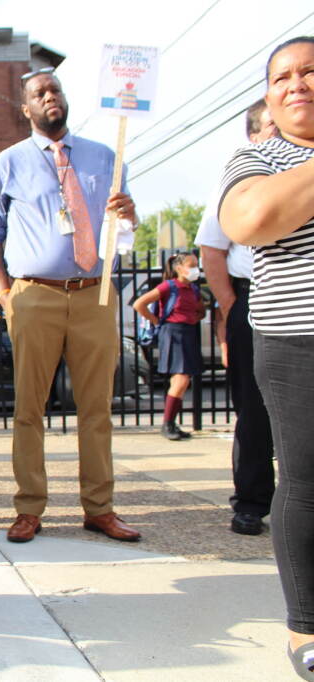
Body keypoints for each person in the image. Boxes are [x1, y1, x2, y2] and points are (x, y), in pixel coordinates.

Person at [0, 67, 141, 544]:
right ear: (25, 109)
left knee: (97, 409)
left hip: (94, 294)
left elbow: (121, 232)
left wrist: (129, 215)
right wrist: (5, 294)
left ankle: (100, 508)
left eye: (55, 89)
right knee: (30, 408)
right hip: (33, 295)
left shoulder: (107, 157)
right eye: (38, 93)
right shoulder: (7, 163)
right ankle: (29, 508)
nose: (50, 97)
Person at [218, 36, 314, 680]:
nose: (297, 84)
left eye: (310, 72)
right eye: (283, 77)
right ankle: (305, 626)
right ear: (269, 98)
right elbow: (251, 220)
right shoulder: (256, 157)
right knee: (306, 482)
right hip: (294, 343)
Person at [195, 98, 278, 536]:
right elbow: (212, 251)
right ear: (253, 135)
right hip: (256, 299)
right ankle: (251, 502)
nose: (278, 130)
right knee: (254, 407)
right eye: (270, 125)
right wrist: (231, 308)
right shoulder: (237, 180)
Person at [132, 253, 205, 440]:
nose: (196, 268)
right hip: (172, 333)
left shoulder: (193, 289)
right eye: (192, 265)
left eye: (196, 265)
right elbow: (140, 304)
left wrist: (196, 316)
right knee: (180, 379)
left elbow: (200, 310)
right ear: (179, 268)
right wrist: (156, 321)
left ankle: (172, 423)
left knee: (182, 381)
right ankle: (167, 424)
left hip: (187, 332)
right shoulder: (169, 286)